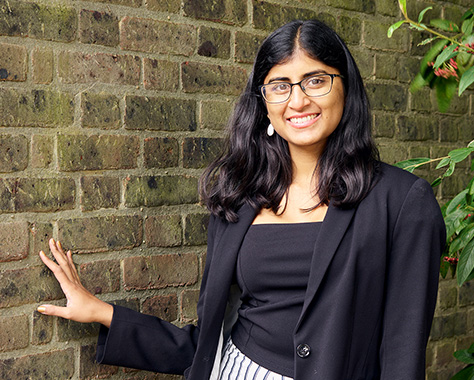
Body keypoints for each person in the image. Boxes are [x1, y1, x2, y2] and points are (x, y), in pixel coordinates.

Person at [37, 20, 446, 380]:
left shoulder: (402, 201)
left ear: (346, 87)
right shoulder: (241, 197)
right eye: (280, 86)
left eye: (316, 80)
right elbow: (207, 340)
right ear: (264, 102)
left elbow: (402, 355)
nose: (298, 100)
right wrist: (102, 312)